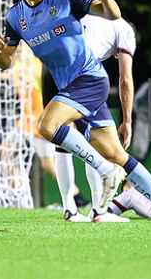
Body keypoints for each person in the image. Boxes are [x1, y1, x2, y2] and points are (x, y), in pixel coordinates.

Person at [0, 0, 151, 229]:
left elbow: (113, 14)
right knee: (118, 154)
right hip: (71, 89)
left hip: (89, 80)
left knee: (46, 126)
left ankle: (104, 173)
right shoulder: (15, 17)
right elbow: (6, 62)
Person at [54, 14, 136, 223]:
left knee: (64, 138)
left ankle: (69, 208)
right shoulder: (124, 31)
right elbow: (125, 80)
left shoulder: (97, 22)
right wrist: (127, 121)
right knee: (95, 140)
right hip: (79, 75)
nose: (116, 57)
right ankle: (99, 211)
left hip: (55, 67)